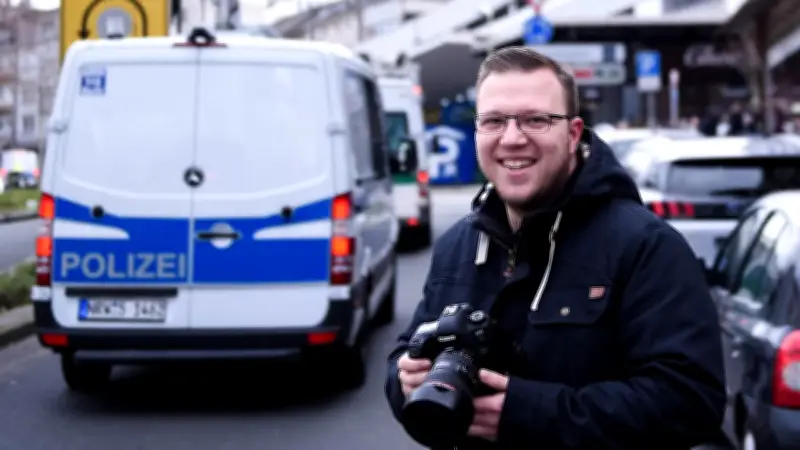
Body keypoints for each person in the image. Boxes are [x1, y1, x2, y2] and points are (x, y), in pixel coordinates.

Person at [384, 46, 725, 450]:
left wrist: (524, 414)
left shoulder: (646, 247)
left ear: (573, 134)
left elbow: (690, 401)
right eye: (493, 121)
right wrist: (405, 381)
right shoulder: (457, 245)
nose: (512, 138)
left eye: (536, 120)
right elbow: (405, 352)